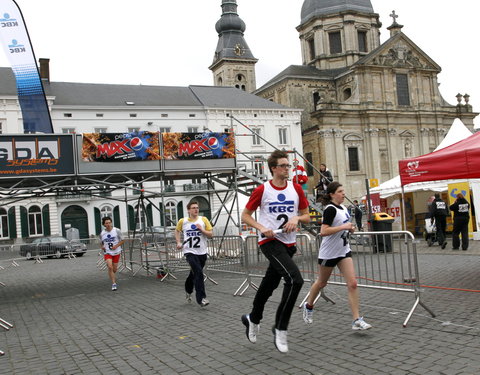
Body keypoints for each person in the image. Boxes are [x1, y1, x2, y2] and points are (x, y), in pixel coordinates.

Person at [241, 150, 310, 353]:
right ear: (273, 168)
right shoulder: (263, 190)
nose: (288, 169)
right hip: (270, 242)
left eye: (288, 166)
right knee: (295, 280)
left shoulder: (296, 189)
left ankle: (252, 319)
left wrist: (296, 219)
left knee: (269, 284)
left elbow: (306, 215)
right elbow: (245, 215)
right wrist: (261, 228)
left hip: (289, 244)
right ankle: (280, 327)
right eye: (284, 165)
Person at [302, 181, 372, 331]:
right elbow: (323, 231)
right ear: (332, 194)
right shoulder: (330, 209)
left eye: (343, 191)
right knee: (321, 283)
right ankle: (309, 306)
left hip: (343, 251)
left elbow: (345, 226)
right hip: (329, 253)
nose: (343, 193)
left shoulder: (344, 209)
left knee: (352, 283)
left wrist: (350, 229)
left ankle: (356, 319)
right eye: (340, 191)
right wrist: (343, 227)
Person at [175, 201, 213, 307]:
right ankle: (201, 299)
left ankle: (188, 290)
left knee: (194, 274)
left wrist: (202, 230)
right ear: (188, 210)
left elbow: (211, 234)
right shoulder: (183, 221)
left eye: (197, 207)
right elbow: (177, 231)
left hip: (202, 252)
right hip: (189, 252)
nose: (196, 209)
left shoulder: (203, 220)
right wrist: (178, 242)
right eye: (193, 208)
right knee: (199, 273)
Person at [100, 216, 125, 291]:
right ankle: (114, 283)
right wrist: (102, 247)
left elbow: (123, 240)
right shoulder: (102, 233)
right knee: (110, 267)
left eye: (109, 223)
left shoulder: (117, 230)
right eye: (106, 223)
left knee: (114, 269)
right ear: (104, 224)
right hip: (108, 252)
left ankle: (111, 273)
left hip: (116, 252)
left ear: (111, 223)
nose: (108, 224)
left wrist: (116, 246)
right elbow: (101, 242)